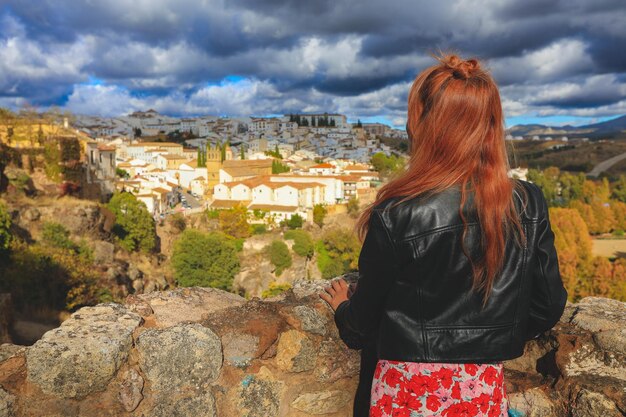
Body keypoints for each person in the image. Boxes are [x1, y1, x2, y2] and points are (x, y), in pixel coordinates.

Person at [319, 53, 568, 417]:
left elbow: (362, 325)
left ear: (423, 125)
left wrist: (343, 306)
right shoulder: (526, 203)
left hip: (406, 391)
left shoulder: (397, 213)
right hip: (481, 386)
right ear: (490, 124)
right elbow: (547, 305)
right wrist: (491, 335)